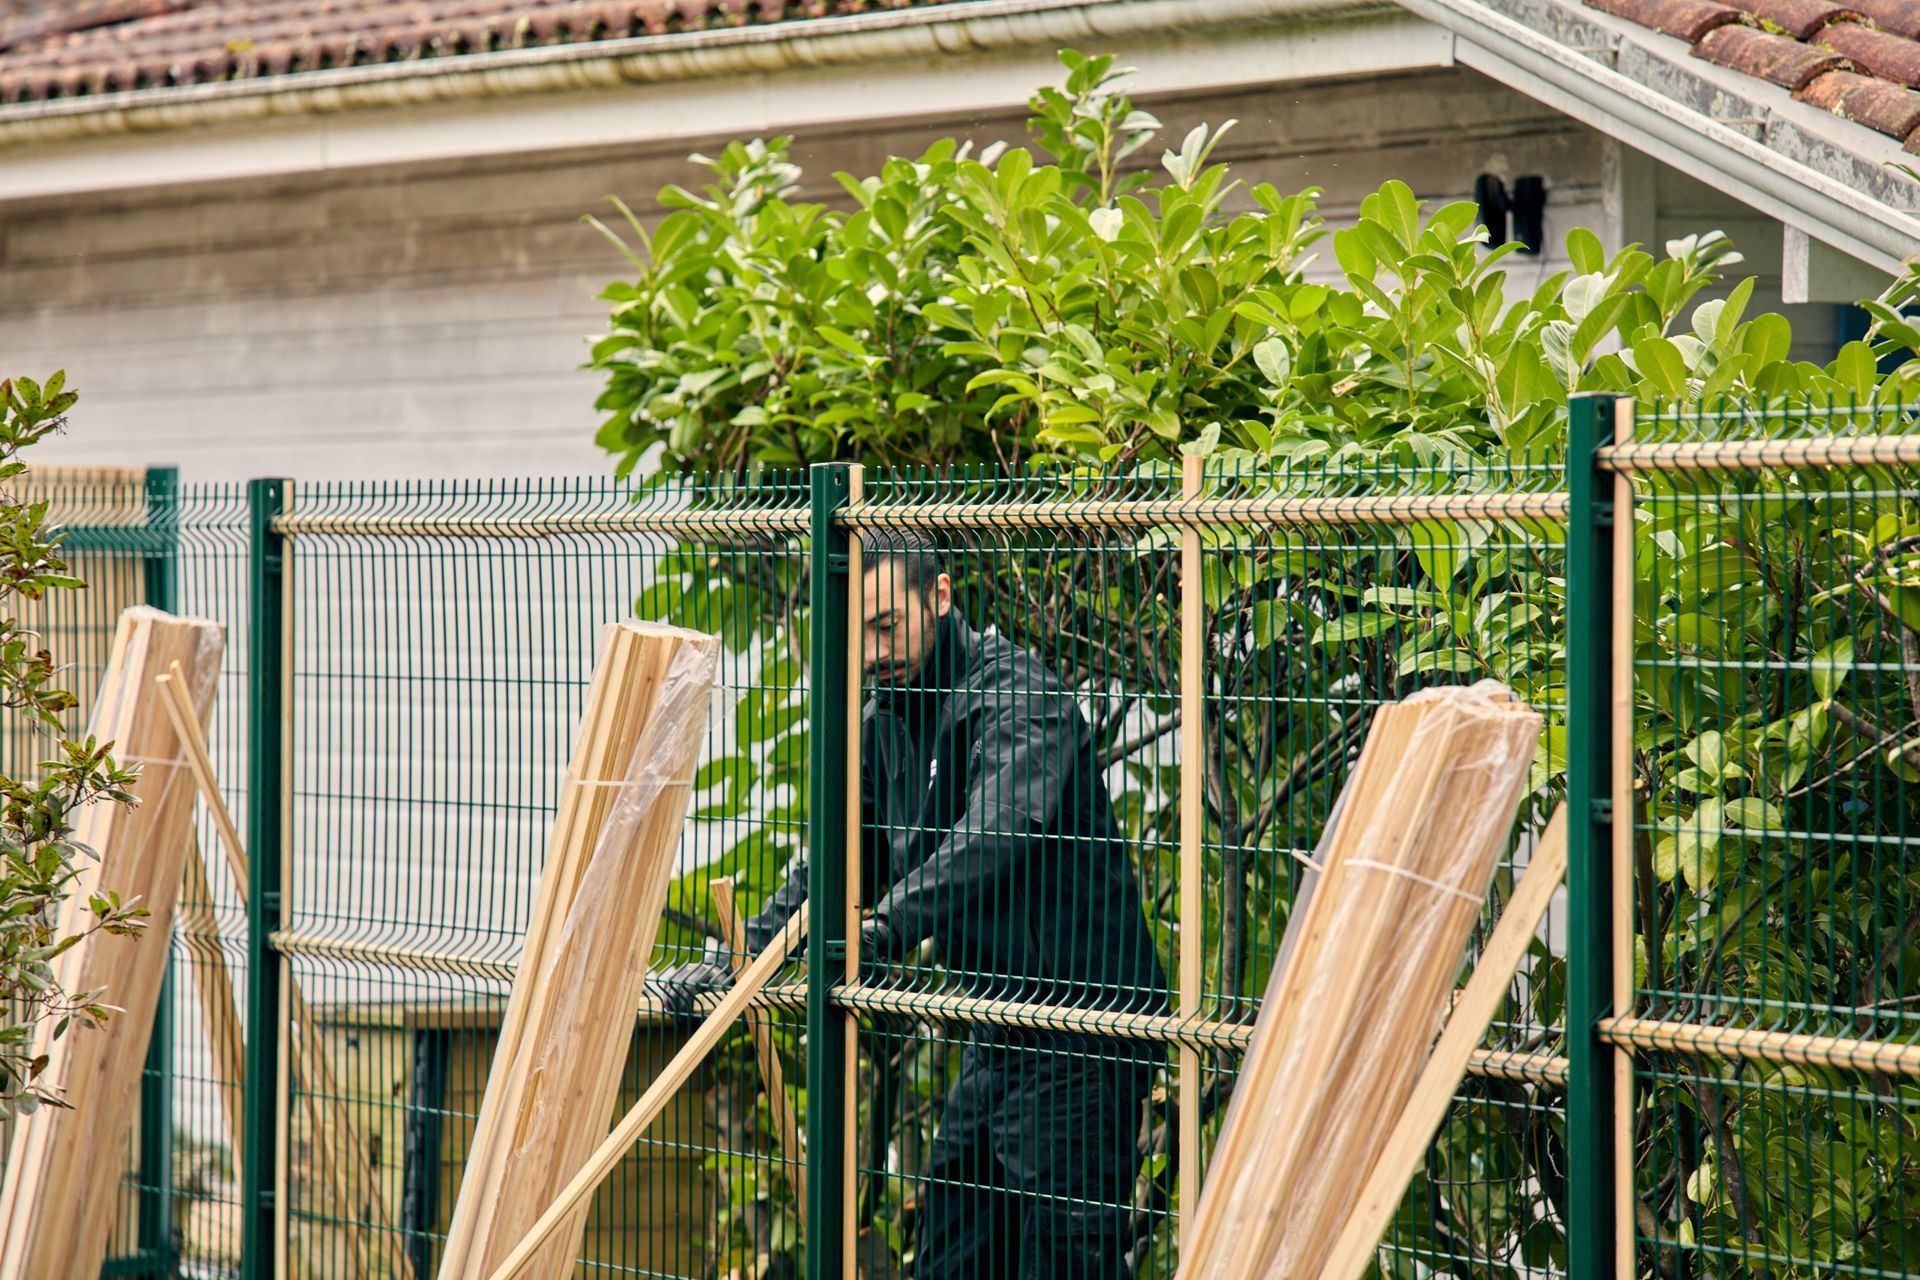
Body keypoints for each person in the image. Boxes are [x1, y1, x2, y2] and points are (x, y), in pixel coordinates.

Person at [655, 528, 1168, 1279]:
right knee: (948, 1257)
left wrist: (885, 926)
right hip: (996, 1029)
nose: (872, 652)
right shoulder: (886, 721)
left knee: (1064, 1264)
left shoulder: (1020, 697)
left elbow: (997, 828)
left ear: (940, 596)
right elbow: (834, 865)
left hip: (1085, 1026)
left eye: (886, 625)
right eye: (858, 636)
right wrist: (737, 957)